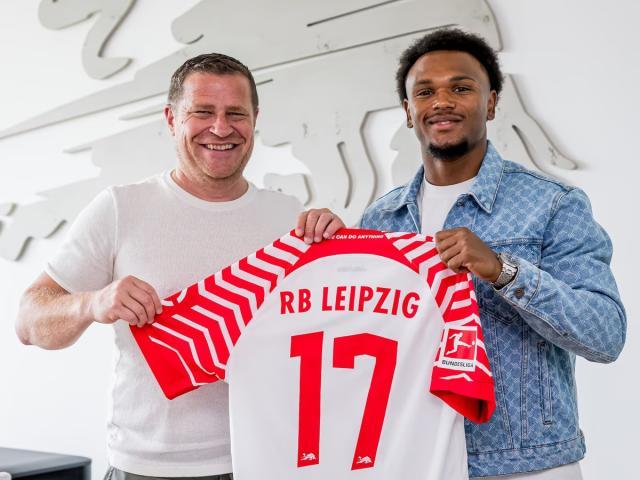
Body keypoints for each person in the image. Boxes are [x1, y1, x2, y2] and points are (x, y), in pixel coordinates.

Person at [15, 53, 344, 480]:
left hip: (264, 461)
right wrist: (93, 303)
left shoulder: (289, 217)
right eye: (202, 112)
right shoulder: (121, 208)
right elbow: (28, 322)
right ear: (172, 119)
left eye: (236, 114)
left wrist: (339, 249)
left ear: (255, 120)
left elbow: (330, 333)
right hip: (147, 469)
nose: (221, 128)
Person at [360, 29, 626, 479]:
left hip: (530, 465)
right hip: (414, 458)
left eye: (461, 88)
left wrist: (504, 271)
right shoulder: (379, 220)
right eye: (425, 92)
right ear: (408, 111)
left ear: (491, 103)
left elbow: (605, 335)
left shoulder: (553, 204)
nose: (442, 102)